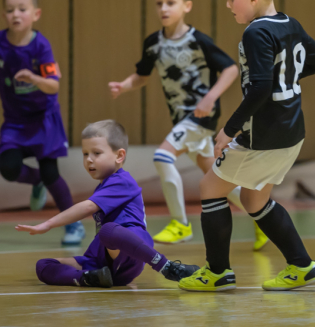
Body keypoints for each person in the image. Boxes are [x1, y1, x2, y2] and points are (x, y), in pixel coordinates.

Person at [178, 0, 315, 292]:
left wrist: (228, 129)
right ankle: (302, 265)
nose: (228, 4)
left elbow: (260, 88)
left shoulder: (256, 32)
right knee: (254, 200)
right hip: (292, 133)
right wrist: (287, 77)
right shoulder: (290, 23)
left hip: (264, 134)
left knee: (209, 188)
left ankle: (217, 272)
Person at [109, 0, 268, 250]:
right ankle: (262, 218)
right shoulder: (154, 43)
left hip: (200, 117)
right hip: (182, 119)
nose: (164, 8)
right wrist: (124, 85)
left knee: (162, 156)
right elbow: (142, 76)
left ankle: (180, 224)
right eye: (159, 3)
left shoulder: (198, 40)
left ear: (187, 6)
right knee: (217, 178)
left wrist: (210, 98)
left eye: (170, 2)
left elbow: (230, 69)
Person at [16, 120, 199, 287]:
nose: (89, 159)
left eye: (96, 153)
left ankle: (167, 267)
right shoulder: (102, 186)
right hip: (105, 263)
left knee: (108, 230)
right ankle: (89, 277)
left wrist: (48, 224)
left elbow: (88, 207)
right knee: (43, 265)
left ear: (119, 156)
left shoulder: (123, 181)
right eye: (85, 154)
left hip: (131, 248)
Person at [0, 0, 85, 245]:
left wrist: (34, 78)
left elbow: (53, 86)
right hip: (14, 122)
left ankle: (74, 225)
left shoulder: (41, 46)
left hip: (44, 119)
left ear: (36, 14)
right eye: (10, 10)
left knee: (51, 173)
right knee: (8, 168)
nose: (15, 14)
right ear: (4, 15)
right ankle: (37, 182)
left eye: (22, 9)